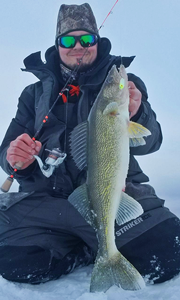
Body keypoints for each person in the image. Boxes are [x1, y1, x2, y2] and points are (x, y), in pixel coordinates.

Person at [0, 3, 179, 285]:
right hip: (50, 206)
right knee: (16, 262)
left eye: (87, 38)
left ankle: (97, 239)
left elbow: (151, 140)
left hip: (114, 195)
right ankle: (85, 247)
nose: (78, 45)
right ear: (57, 45)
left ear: (97, 42)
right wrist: (14, 159)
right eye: (68, 39)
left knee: (169, 252)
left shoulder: (124, 86)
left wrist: (137, 112)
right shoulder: (33, 94)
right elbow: (8, 152)